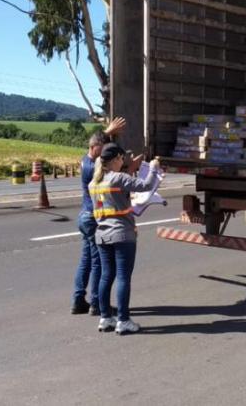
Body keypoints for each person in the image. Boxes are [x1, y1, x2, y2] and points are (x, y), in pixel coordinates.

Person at [90, 143, 160, 335]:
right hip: (122, 234)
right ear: (115, 159)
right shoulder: (118, 178)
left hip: (102, 235)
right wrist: (153, 168)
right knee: (123, 277)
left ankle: (105, 318)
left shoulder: (94, 183)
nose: (123, 162)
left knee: (106, 275)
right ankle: (123, 320)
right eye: (122, 159)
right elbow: (146, 185)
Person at [71, 117, 127, 315]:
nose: (104, 153)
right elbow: (106, 171)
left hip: (84, 216)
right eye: (101, 148)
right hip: (92, 218)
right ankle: (96, 303)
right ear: (94, 147)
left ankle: (78, 300)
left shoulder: (85, 160)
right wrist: (108, 131)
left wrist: (109, 135)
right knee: (98, 262)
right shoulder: (91, 167)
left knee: (86, 259)